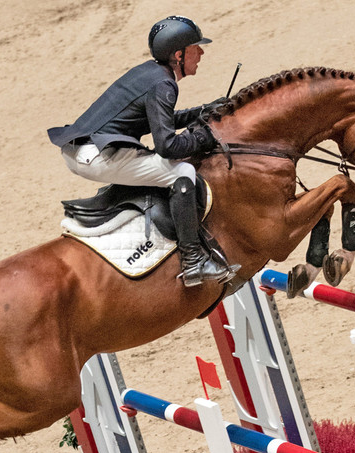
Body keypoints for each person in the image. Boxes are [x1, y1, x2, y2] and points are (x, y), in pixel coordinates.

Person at [47, 16, 233, 287]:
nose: (201, 53)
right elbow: (167, 146)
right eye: (196, 47)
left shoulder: (151, 73)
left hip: (80, 149)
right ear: (179, 55)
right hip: (96, 156)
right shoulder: (164, 84)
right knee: (182, 171)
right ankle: (193, 261)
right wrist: (205, 137)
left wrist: (202, 111)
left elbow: (160, 119)